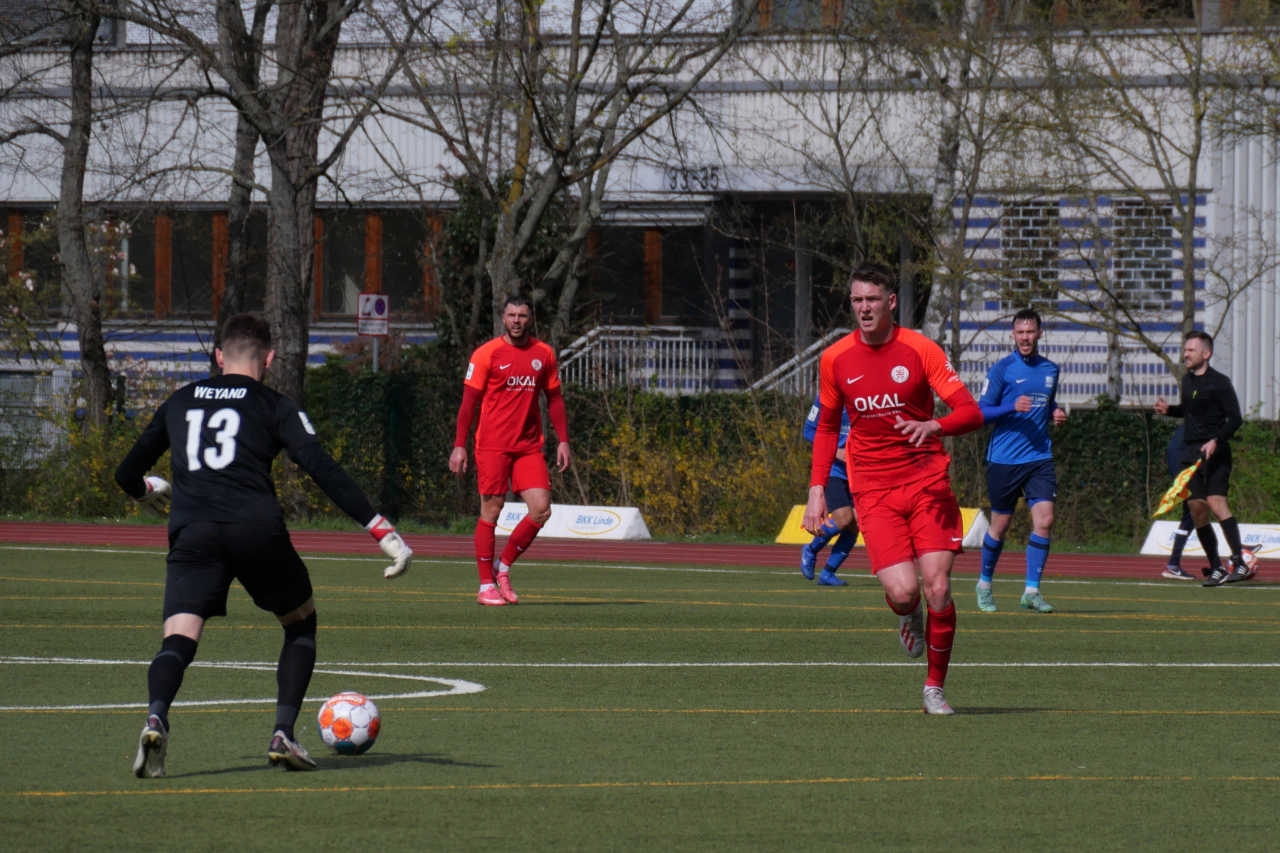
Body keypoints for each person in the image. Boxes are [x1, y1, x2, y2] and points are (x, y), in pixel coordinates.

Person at [114, 313, 412, 778]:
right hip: (255, 529)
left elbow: (125, 473)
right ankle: (282, 733)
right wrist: (381, 530)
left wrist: (145, 490)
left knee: (179, 638)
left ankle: (156, 717)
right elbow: (321, 467)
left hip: (194, 532)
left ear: (219, 356)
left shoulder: (180, 400)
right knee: (300, 624)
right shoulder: (274, 404)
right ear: (269, 358)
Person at [803, 262, 984, 715]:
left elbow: (970, 412)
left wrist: (934, 425)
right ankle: (908, 615)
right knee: (905, 592)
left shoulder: (920, 350)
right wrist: (817, 489)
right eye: (857, 300)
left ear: (891, 301)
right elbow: (826, 427)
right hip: (873, 489)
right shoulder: (835, 358)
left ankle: (934, 688)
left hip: (926, 481)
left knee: (938, 586)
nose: (864, 308)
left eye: (872, 299)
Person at [450, 295, 571, 606]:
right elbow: (468, 404)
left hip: (528, 446)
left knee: (541, 509)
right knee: (492, 510)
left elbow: (555, 399)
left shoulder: (543, 354)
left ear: (530, 319)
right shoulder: (486, 354)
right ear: (503, 318)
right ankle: (485, 586)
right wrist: (459, 445)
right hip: (492, 445)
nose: (517, 321)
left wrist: (563, 440)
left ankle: (502, 568)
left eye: (522, 315)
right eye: (512, 315)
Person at [974, 308, 1068, 614]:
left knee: (1045, 520)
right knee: (1000, 525)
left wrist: (1056, 412)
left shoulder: (1051, 369)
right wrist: (1010, 407)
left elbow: (1048, 402)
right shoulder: (1002, 369)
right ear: (1013, 335)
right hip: (1005, 459)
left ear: (1040, 333)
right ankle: (984, 584)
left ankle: (1032, 591)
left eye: (1030, 332)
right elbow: (981, 412)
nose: (1025, 338)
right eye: (1020, 332)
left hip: (1039, 457)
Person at [1154, 331, 1253, 586]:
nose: (1185, 354)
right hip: (1191, 453)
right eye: (1185, 349)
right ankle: (1216, 567)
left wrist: (1216, 440)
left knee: (1216, 503)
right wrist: (1169, 410)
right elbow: (1189, 411)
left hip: (1215, 452)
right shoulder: (1187, 381)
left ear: (1206, 354)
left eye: (1191, 350)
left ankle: (1239, 563)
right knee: (1197, 509)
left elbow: (1235, 418)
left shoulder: (1220, 382)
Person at [800, 395, 859, 586]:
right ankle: (811, 549)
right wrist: (835, 451)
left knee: (856, 524)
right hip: (834, 470)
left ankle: (827, 573)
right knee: (844, 518)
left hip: (859, 472)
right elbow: (809, 431)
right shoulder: (827, 398)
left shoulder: (869, 397)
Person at [1160, 423, 1198, 580]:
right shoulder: (1196, 426)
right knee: (1199, 509)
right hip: (1185, 471)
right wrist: (1182, 479)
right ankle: (1237, 552)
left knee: (1193, 515)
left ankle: (1173, 564)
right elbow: (1174, 451)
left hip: (1185, 471)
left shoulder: (1194, 424)